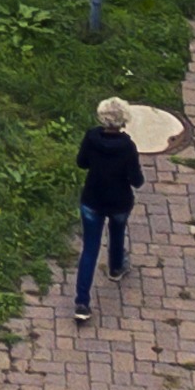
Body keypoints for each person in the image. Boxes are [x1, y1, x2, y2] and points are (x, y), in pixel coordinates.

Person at [73, 96, 143, 321]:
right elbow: (136, 180)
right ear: (123, 121)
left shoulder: (91, 138)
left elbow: (82, 162)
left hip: (92, 199)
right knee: (117, 232)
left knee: (90, 249)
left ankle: (82, 303)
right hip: (119, 201)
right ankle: (115, 267)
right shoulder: (127, 147)